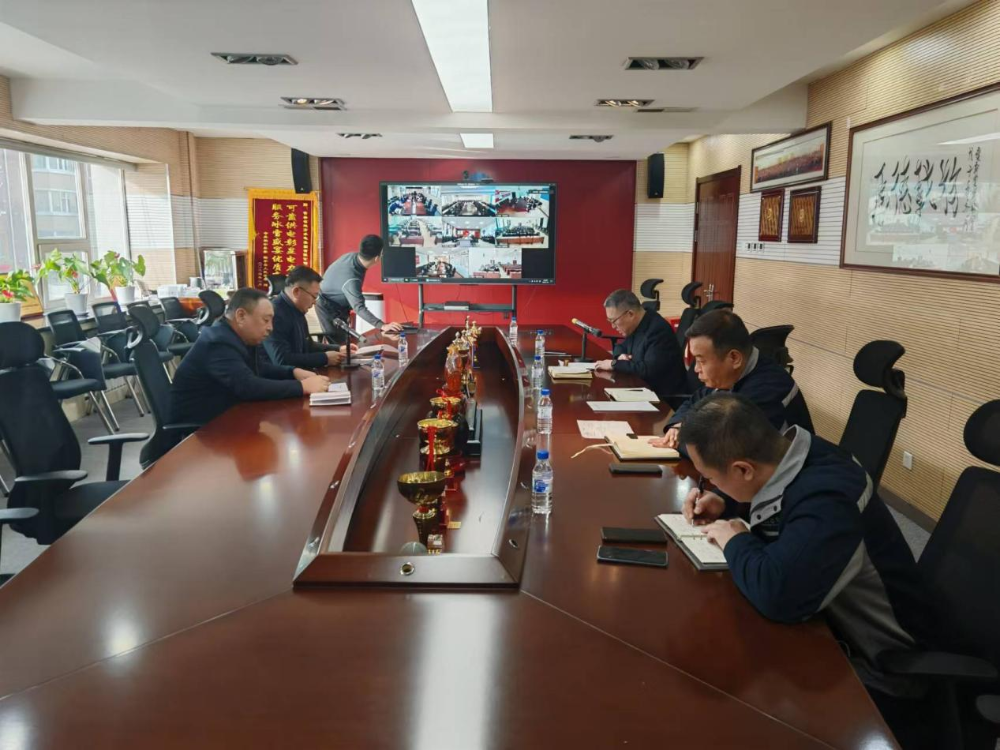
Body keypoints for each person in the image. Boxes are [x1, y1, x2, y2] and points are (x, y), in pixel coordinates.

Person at [678, 393, 935, 745]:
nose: (710, 485)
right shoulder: (795, 452)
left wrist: (735, 538)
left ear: (743, 470)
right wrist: (727, 501)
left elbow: (778, 595)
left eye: (711, 479)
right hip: (830, 624)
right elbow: (778, 499)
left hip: (882, 663)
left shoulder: (827, 500)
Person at [652, 309, 812, 449]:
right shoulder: (731, 374)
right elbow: (695, 400)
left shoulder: (767, 390)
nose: (696, 369)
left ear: (734, 358)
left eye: (701, 361)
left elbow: (722, 448)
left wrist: (681, 439)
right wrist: (677, 425)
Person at [170, 287, 330, 425]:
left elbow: (259, 367)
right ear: (241, 316)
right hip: (198, 432)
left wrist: (293, 372)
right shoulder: (217, 342)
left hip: (226, 420)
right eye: (266, 320)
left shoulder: (237, 337)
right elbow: (248, 386)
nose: (270, 328)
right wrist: (302, 387)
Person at [594, 289, 687, 400]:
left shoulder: (657, 330)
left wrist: (614, 364)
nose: (613, 326)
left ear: (630, 314)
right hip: (641, 389)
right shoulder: (638, 323)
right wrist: (620, 356)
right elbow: (621, 346)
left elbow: (648, 371)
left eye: (614, 321)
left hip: (662, 398)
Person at [264, 265, 356, 369]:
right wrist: (324, 358)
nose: (314, 302)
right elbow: (282, 360)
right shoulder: (274, 314)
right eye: (314, 296)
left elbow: (308, 345)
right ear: (296, 292)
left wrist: (338, 348)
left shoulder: (297, 309)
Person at [317, 234, 403, 339]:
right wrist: (383, 325)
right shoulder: (351, 280)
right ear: (377, 258)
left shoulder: (351, 257)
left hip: (337, 303)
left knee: (348, 341)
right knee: (341, 345)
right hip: (328, 307)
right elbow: (359, 308)